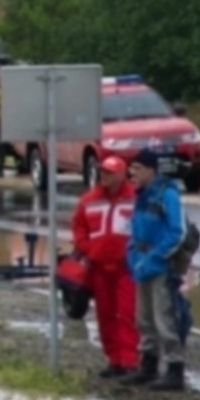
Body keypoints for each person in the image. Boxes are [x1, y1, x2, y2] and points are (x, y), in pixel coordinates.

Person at [121, 148, 191, 391]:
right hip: (142, 265)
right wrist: (132, 256)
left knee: (165, 317)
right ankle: (148, 365)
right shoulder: (141, 195)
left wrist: (155, 258)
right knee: (144, 317)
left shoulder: (167, 194)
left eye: (137, 168)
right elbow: (135, 229)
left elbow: (177, 232)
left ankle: (174, 369)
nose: (132, 173)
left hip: (161, 266)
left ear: (151, 169)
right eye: (132, 169)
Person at [69, 155, 139, 377]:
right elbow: (79, 227)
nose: (104, 176)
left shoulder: (135, 197)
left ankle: (130, 361)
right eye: (102, 171)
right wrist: (87, 248)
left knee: (127, 314)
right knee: (105, 314)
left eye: (109, 172)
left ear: (121, 174)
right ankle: (114, 360)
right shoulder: (89, 199)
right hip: (99, 267)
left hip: (127, 267)